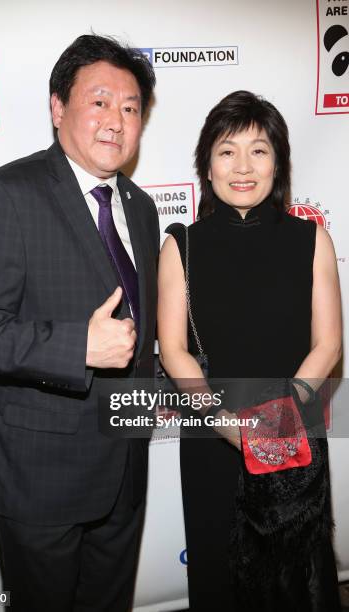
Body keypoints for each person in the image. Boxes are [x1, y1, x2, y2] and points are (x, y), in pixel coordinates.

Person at [0, 34, 159, 612]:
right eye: (100, 101)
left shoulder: (139, 205)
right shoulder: (4, 194)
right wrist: (76, 346)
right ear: (58, 108)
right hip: (41, 476)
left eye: (131, 107)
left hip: (124, 467)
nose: (117, 120)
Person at [157, 90, 342, 611]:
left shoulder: (312, 240)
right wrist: (230, 427)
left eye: (258, 150)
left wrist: (279, 420)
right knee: (221, 579)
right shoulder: (181, 246)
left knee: (296, 582)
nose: (243, 166)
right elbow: (173, 351)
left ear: (277, 162)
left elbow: (328, 344)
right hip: (213, 439)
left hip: (293, 435)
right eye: (226, 150)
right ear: (206, 165)